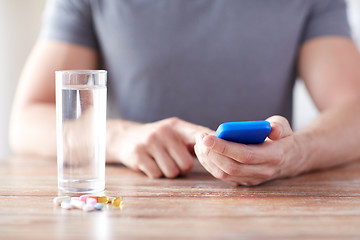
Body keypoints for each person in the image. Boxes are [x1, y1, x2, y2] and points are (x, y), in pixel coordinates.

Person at [9, 0, 360, 186]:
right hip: (132, 209)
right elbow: (27, 119)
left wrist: (296, 153)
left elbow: (354, 108)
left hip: (270, 208)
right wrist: (121, 138)